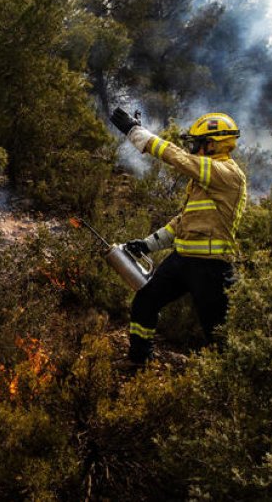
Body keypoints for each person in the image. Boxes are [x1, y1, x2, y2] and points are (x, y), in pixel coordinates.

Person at [110, 108, 248, 366]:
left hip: (212, 267)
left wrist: (136, 133)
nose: (193, 149)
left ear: (212, 144)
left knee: (217, 330)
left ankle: (227, 385)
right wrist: (147, 244)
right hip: (182, 260)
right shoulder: (203, 181)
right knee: (145, 300)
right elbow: (183, 221)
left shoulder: (227, 174)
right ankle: (140, 360)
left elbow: (177, 157)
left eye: (197, 144)